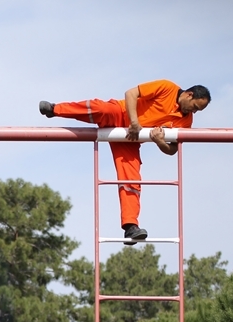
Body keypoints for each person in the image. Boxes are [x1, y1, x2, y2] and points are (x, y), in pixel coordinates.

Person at [40, 81, 210, 244]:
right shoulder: (167, 88)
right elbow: (131, 93)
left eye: (198, 111)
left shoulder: (186, 122)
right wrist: (134, 122)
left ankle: (130, 227)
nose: (194, 112)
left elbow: (173, 150)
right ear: (189, 95)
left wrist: (159, 141)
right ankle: (55, 109)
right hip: (120, 113)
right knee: (101, 108)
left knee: (131, 180)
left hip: (131, 139)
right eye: (195, 107)